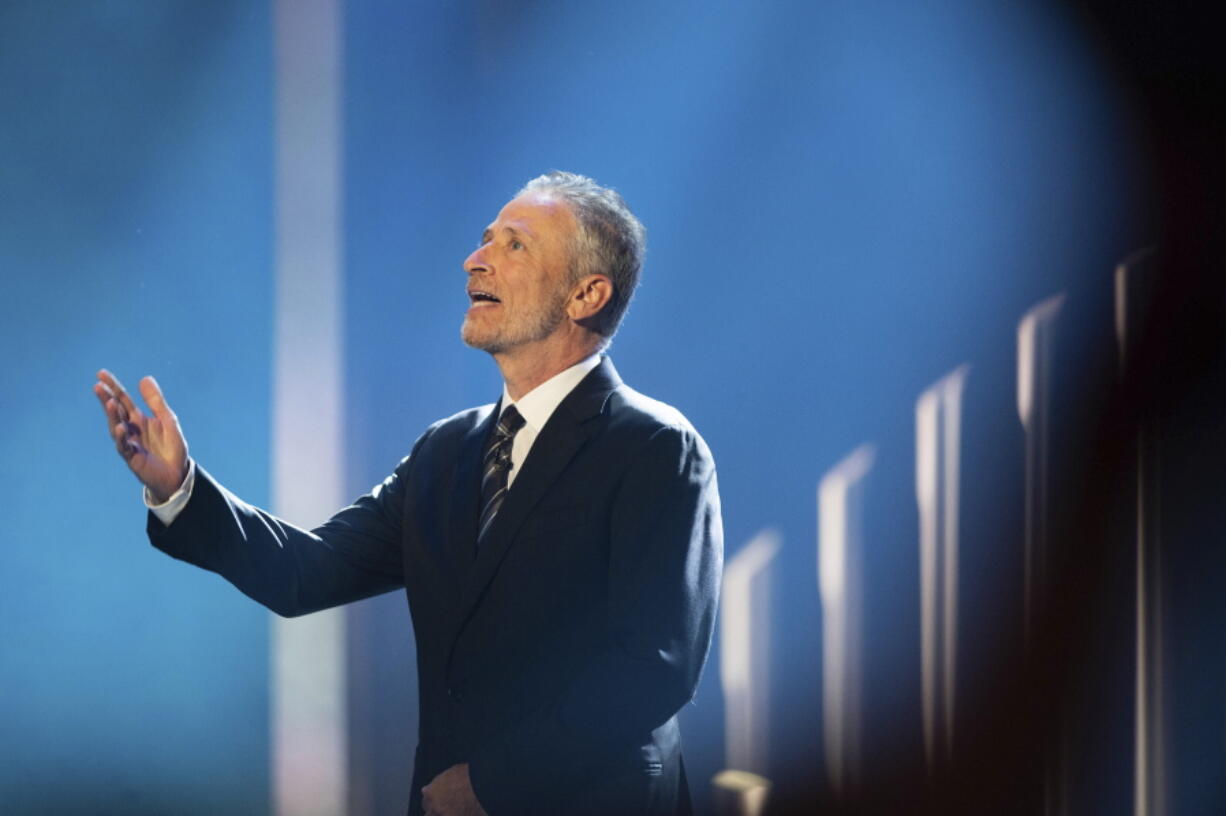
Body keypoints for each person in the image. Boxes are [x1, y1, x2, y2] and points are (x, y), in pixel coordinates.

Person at [94, 171, 723, 816]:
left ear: (586, 294)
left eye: (514, 245)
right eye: (484, 240)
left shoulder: (654, 448)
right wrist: (180, 490)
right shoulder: (445, 452)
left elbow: (653, 668)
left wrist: (490, 784)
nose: (474, 260)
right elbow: (304, 573)